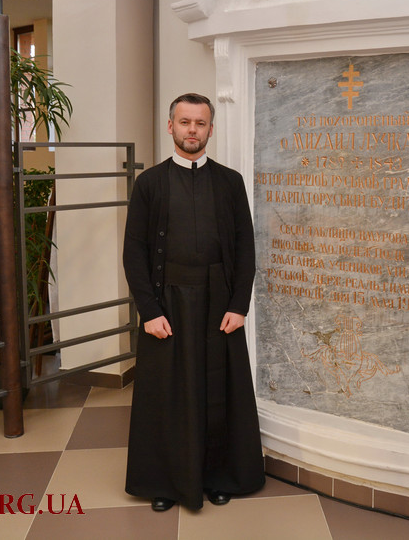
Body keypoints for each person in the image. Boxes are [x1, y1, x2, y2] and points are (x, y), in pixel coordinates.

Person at [123, 93, 264, 511]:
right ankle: (166, 483)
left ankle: (219, 477)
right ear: (171, 126)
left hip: (220, 304)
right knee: (168, 395)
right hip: (166, 304)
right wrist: (149, 310)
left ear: (210, 129)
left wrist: (239, 305)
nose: (192, 130)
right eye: (184, 122)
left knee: (218, 393)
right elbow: (134, 252)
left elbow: (246, 248)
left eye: (200, 123)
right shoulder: (149, 183)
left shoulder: (230, 182)